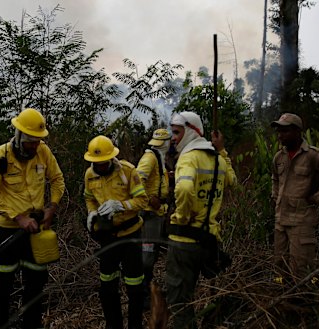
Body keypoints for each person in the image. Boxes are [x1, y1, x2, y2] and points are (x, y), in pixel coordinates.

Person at [0, 108, 65, 329]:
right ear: (19, 138)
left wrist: (51, 207)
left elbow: (57, 180)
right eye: (31, 142)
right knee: (1, 286)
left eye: (38, 141)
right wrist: (18, 217)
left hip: (35, 231)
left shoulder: (43, 152)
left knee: (36, 285)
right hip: (7, 233)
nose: (35, 146)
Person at [165, 111, 237, 329]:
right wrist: (223, 150)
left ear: (191, 131)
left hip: (184, 241)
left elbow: (185, 189)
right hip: (208, 242)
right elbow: (232, 182)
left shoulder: (188, 158)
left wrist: (183, 216)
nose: (173, 138)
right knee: (193, 294)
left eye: (177, 132)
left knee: (179, 300)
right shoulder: (218, 159)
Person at [271, 113, 319, 279]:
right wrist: (275, 198)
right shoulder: (279, 157)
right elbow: (275, 179)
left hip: (301, 222)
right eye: (279, 131)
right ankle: (284, 303)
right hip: (280, 222)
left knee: (300, 271)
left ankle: (304, 303)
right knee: (280, 269)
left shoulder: (313, 155)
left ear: (297, 132)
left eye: (285, 131)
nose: (280, 135)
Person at [83, 135, 149, 329]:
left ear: (111, 158)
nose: (100, 167)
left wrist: (120, 205)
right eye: (96, 163)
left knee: (135, 286)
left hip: (130, 234)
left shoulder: (127, 171)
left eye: (103, 163)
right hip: (107, 237)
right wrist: (92, 211)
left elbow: (142, 201)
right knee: (107, 287)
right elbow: (88, 198)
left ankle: (135, 325)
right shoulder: (89, 175)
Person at [135, 128, 172, 309]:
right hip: (149, 215)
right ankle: (142, 296)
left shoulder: (159, 158)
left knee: (154, 253)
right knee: (147, 256)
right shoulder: (150, 158)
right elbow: (137, 179)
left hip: (158, 215)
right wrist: (149, 198)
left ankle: (149, 290)